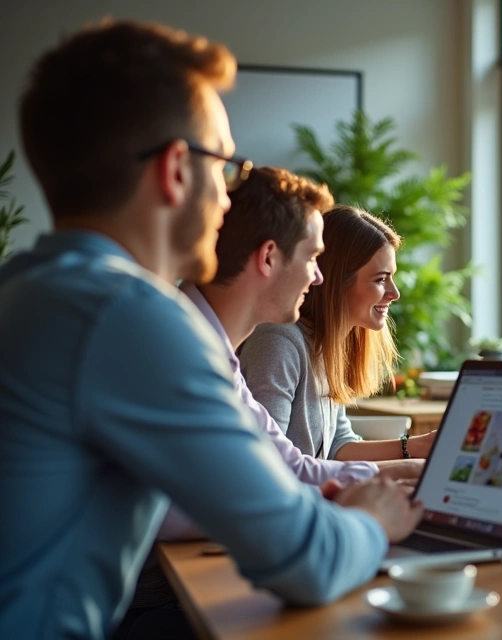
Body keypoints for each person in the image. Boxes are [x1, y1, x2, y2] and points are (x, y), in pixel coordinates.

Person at [0, 22, 421, 639]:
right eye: (226, 166)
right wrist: (373, 521)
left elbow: (277, 474)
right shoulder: (127, 316)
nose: (228, 200)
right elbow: (306, 561)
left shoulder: (27, 288)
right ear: (175, 168)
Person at [241, 205, 435, 463]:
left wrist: (418, 447)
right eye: (380, 279)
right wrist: (404, 468)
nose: (394, 293)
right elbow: (270, 462)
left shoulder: (328, 346)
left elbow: (338, 446)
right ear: (338, 281)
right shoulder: (278, 343)